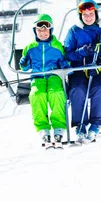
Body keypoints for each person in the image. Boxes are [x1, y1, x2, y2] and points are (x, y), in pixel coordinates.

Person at [63, 0, 101, 143]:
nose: (88, 17)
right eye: (85, 15)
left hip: (98, 69)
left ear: (96, 14)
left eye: (91, 14)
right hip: (79, 69)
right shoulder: (74, 31)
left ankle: (96, 123)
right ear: (80, 16)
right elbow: (67, 53)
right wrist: (82, 52)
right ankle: (80, 124)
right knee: (77, 89)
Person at [19, 14, 70, 144]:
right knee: (37, 94)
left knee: (56, 93)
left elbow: (65, 62)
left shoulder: (57, 46)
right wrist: (24, 62)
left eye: (45, 30)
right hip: (37, 77)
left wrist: (65, 65)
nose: (42, 33)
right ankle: (43, 128)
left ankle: (59, 127)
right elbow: (24, 68)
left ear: (50, 30)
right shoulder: (30, 48)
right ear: (35, 31)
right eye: (39, 30)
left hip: (54, 75)